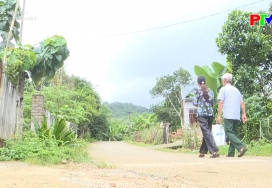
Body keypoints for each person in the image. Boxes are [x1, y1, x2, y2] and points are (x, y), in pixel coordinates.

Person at [217, 73, 247, 157]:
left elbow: (221, 102)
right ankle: (231, 152)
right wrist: (244, 114)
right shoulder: (236, 90)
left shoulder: (223, 89)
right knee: (233, 133)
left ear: (224, 81)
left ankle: (241, 146)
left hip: (228, 115)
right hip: (236, 115)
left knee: (228, 132)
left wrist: (219, 116)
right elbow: (242, 102)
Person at [193, 76, 219, 158]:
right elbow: (212, 102)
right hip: (210, 114)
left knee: (206, 132)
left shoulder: (197, 90)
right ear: (205, 82)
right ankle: (202, 151)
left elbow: (194, 103)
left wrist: (200, 104)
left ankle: (214, 150)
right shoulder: (210, 91)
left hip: (202, 114)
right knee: (207, 132)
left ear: (198, 83)